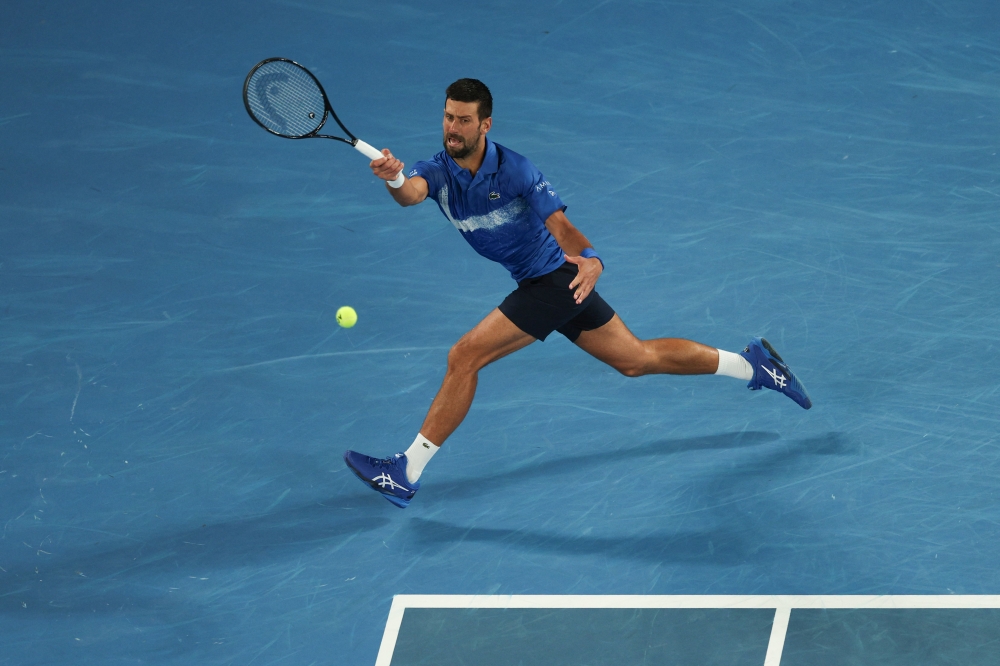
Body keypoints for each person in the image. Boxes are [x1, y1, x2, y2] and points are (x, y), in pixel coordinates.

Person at [343, 79, 811, 508]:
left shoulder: (516, 171)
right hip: (548, 284)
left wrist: (591, 257)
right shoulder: (438, 170)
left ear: (485, 124)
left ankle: (406, 471)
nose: (453, 127)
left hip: (556, 280)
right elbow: (412, 193)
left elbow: (560, 224)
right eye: (448, 116)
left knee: (465, 356)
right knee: (635, 359)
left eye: (464, 120)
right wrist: (395, 178)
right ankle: (753, 364)